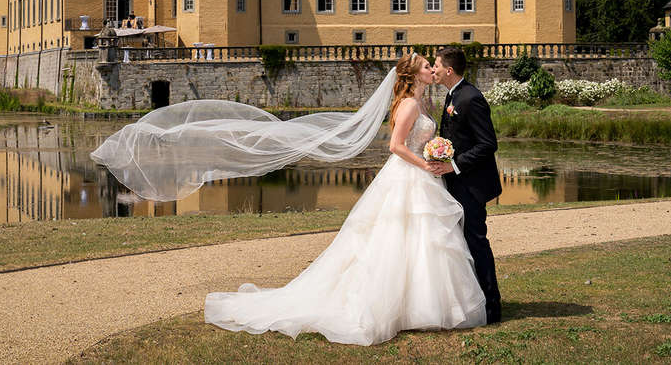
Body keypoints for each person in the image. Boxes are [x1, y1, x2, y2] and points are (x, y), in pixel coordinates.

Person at [203, 54, 487, 345]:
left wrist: (436, 153)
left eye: (432, 65)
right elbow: (395, 146)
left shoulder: (421, 103)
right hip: (410, 175)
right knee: (399, 237)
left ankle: (420, 306)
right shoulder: (410, 105)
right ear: (415, 75)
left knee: (423, 239)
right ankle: (397, 306)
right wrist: (425, 164)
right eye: (427, 66)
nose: (432, 69)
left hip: (422, 176)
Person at [429, 46, 503, 324]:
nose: (433, 69)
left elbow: (488, 144)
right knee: (462, 244)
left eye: (436, 65)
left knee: (476, 242)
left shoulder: (471, 98)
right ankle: (473, 301)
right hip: (457, 183)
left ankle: (492, 307)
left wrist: (454, 165)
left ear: (449, 70)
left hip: (472, 185)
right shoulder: (452, 95)